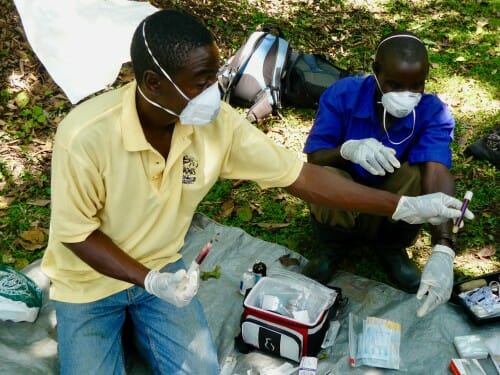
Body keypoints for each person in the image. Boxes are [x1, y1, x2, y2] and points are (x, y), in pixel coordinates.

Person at [41, 11, 472, 374]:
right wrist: (148, 281)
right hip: (89, 284)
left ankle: (138, 324)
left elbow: (303, 177)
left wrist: (406, 206)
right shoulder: (84, 136)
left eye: (216, 74)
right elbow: (77, 235)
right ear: (153, 83)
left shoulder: (216, 124)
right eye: (202, 80)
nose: (216, 90)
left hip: (164, 268)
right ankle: (111, 323)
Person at [302, 30, 461, 309]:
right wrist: (346, 150)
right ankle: (332, 246)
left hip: (393, 203)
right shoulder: (342, 96)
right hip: (344, 194)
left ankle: (391, 246)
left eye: (416, 87)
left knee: (415, 173)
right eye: (395, 85)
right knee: (325, 175)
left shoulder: (432, 112)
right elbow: (315, 159)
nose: (406, 96)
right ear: (375, 71)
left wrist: (444, 246)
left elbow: (436, 171)